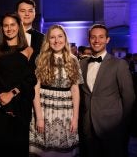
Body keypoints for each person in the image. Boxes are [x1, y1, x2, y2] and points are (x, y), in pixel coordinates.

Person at [0, 12, 36, 157]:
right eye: (5, 25)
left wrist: (12, 94)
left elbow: (30, 79)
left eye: (12, 24)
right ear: (1, 28)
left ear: (18, 26)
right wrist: (4, 101)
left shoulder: (29, 50)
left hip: (20, 105)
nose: (9, 28)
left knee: (17, 147)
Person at [79, 24, 135, 157]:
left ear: (107, 40)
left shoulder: (119, 64)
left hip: (112, 127)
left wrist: (122, 125)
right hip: (88, 127)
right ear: (89, 39)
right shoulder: (81, 64)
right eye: (93, 37)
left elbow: (129, 97)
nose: (97, 40)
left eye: (101, 37)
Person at [29, 24, 83, 156]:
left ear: (65, 38)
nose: (56, 40)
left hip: (66, 112)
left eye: (60, 36)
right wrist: (39, 117)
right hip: (44, 109)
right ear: (48, 41)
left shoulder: (73, 60)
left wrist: (75, 118)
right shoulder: (41, 59)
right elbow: (35, 89)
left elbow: (75, 90)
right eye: (52, 37)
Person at [16, 0, 44, 69]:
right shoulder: (8, 36)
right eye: (23, 11)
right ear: (16, 13)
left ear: (34, 14)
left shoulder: (43, 38)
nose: (27, 14)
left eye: (30, 11)